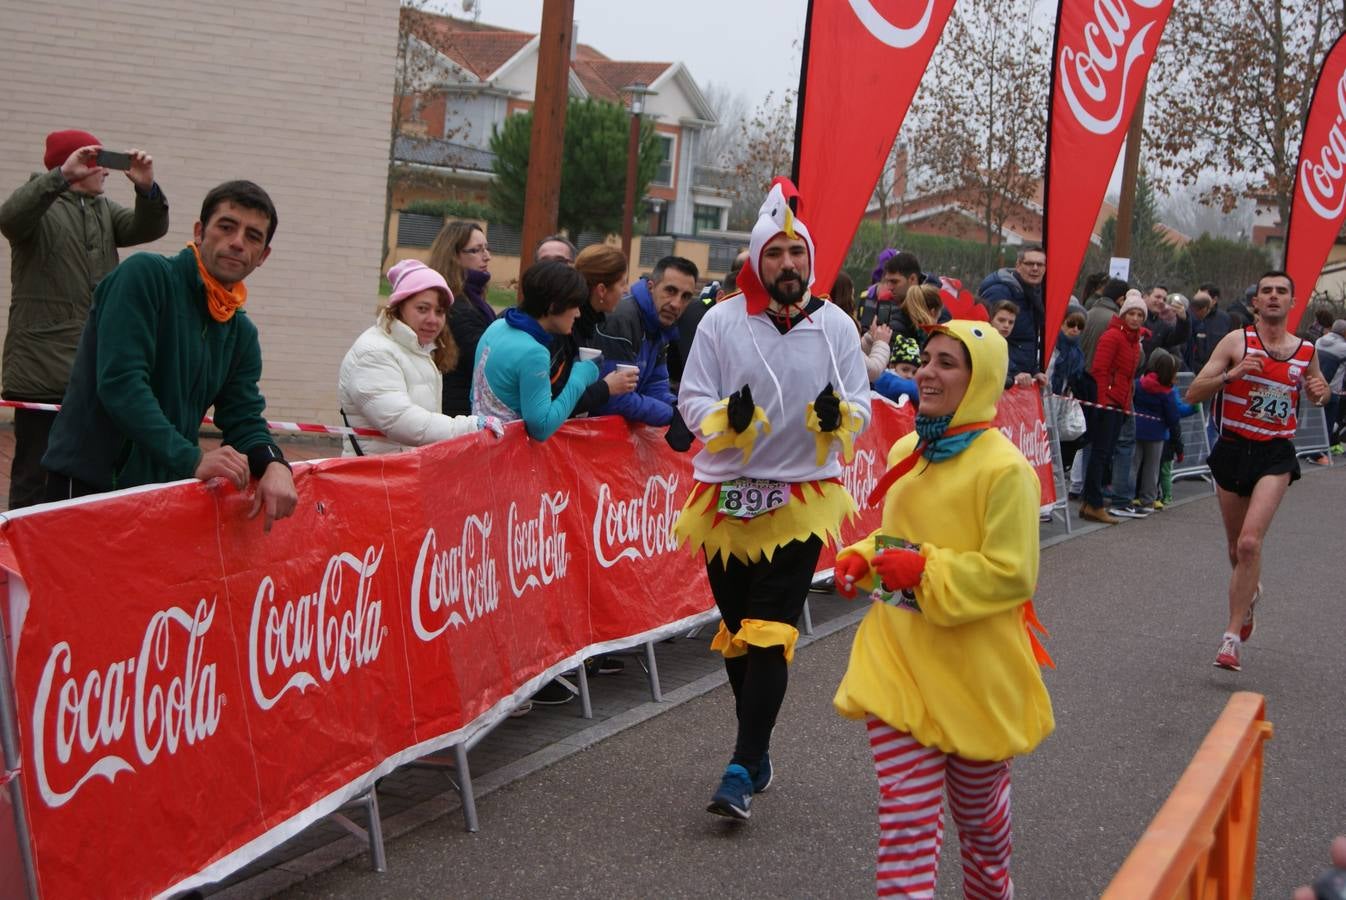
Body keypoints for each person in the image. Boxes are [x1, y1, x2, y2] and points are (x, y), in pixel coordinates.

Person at [832, 319, 1054, 899]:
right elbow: (897, 538)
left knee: (982, 828)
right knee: (906, 821)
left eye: (947, 363)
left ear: (980, 380)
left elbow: (1013, 574)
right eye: (926, 359)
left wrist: (927, 570)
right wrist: (861, 556)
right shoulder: (910, 448)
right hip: (899, 660)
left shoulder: (1007, 471)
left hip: (974, 674)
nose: (928, 373)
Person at [673, 178, 871, 821]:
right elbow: (690, 398)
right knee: (737, 630)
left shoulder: (835, 325)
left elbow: (863, 408)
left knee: (769, 630)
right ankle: (755, 751)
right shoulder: (721, 320)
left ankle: (738, 768)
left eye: (799, 254)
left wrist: (836, 414)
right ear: (757, 259)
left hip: (802, 497)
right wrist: (723, 416)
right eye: (777, 254)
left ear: (812, 261)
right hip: (725, 498)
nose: (790, 265)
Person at [42, 180, 297, 530]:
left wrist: (274, 464)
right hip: (92, 485)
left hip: (160, 493)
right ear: (199, 231)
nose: (237, 242)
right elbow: (122, 384)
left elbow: (243, 418)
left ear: (263, 256)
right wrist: (190, 458)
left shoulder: (240, 331)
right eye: (226, 226)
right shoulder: (145, 276)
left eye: (253, 236)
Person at [0, 130, 170, 509]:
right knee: (35, 471)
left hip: (93, 367)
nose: (107, 172)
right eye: (98, 163)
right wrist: (60, 177)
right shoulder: (38, 207)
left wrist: (147, 190)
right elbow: (10, 219)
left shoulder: (102, 211)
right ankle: (17, 553)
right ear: (75, 166)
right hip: (42, 372)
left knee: (88, 468)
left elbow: (149, 227)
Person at [1184, 271, 1330, 672]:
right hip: (1232, 449)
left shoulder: (1306, 350)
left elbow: (1320, 391)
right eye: (1266, 291)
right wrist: (1232, 374)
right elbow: (1193, 391)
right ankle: (1249, 600)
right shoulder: (1237, 341)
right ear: (1255, 302)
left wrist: (1322, 393)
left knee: (1250, 544)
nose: (1273, 297)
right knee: (1236, 550)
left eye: (1281, 291)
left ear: (1291, 302)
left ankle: (1230, 638)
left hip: (1275, 454)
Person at [338, 260, 501, 455]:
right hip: (374, 478)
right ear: (399, 307)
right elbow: (401, 421)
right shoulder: (374, 352)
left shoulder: (418, 349)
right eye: (422, 309)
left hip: (401, 475)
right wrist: (469, 426)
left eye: (439, 311)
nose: (433, 320)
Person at [470, 260, 600, 442]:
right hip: (507, 452)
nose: (578, 314)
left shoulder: (498, 325)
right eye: (574, 305)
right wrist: (579, 379)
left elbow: (474, 394)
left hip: (479, 441)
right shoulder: (534, 352)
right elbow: (541, 427)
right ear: (554, 306)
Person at [589, 256, 698, 426]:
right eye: (670, 290)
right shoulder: (621, 319)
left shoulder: (661, 324)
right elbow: (614, 399)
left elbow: (655, 387)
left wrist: (681, 410)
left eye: (686, 296)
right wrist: (674, 416)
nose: (676, 304)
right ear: (651, 287)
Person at [1079, 293, 1148, 524]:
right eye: (1132, 313)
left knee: (1106, 453)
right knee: (1100, 453)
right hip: (1107, 402)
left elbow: (1128, 378)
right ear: (1123, 314)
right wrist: (1102, 401)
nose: (1136, 319)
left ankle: (1091, 502)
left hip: (1119, 403)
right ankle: (1093, 502)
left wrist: (1126, 404)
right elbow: (1100, 370)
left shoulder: (1133, 341)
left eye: (1140, 315)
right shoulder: (1112, 336)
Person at [429, 221, 495, 415]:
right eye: (476, 250)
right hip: (459, 411)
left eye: (487, 248)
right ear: (454, 257)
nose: (487, 256)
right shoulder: (457, 307)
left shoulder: (473, 300)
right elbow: (484, 363)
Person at [1130, 349, 1189, 512]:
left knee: (1132, 466)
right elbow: (1173, 418)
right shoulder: (1167, 393)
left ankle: (1126, 496)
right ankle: (1148, 499)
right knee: (1151, 468)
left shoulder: (1139, 384)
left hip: (1136, 429)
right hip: (1157, 434)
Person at [979, 244, 1047, 382]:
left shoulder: (1033, 294)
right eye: (1029, 263)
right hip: (1001, 379)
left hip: (1022, 378)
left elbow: (1028, 339)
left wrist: (1035, 371)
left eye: (1040, 265)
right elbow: (986, 338)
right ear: (1018, 265)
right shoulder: (999, 292)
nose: (1035, 269)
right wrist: (1013, 372)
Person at [1186, 287, 1232, 373]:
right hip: (1194, 370)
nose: (1199, 301)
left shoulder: (1224, 319)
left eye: (1204, 298)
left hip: (1217, 370)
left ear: (1214, 300)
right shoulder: (1189, 317)